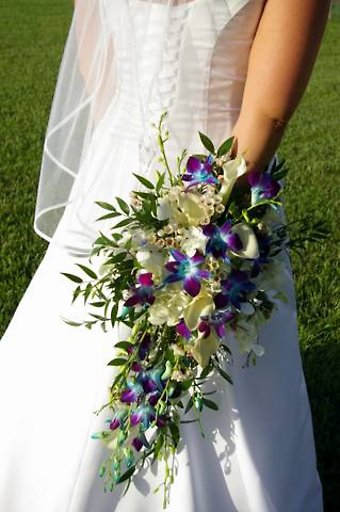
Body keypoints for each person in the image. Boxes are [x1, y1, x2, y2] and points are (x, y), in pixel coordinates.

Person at [0, 1, 330, 511]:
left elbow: (97, 66)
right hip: (219, 176)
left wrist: (135, 147)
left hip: (116, 166)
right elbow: (267, 113)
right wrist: (208, 221)